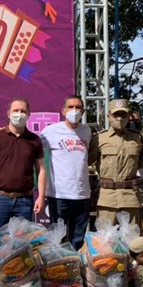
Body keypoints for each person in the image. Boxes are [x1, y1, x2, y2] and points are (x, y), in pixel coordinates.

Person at [40, 95, 99, 249]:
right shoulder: (52, 131)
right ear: (63, 111)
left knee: (78, 239)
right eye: (71, 107)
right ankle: (57, 269)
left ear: (84, 111)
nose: (74, 111)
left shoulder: (87, 131)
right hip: (59, 194)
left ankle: (75, 267)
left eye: (78, 107)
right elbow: (31, 145)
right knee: (57, 239)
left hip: (82, 194)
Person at [0, 98, 46, 232]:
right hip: (0, 199)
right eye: (15, 110)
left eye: (23, 111)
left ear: (29, 114)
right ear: (8, 113)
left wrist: (40, 197)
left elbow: (40, 170)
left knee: (21, 244)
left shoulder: (35, 140)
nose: (19, 114)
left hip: (25, 201)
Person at [96, 99, 143, 228]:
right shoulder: (99, 139)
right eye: (116, 115)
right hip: (107, 197)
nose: (119, 119)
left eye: (123, 115)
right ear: (109, 117)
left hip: (130, 197)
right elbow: (88, 161)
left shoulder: (136, 138)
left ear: (128, 117)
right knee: (105, 240)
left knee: (133, 238)